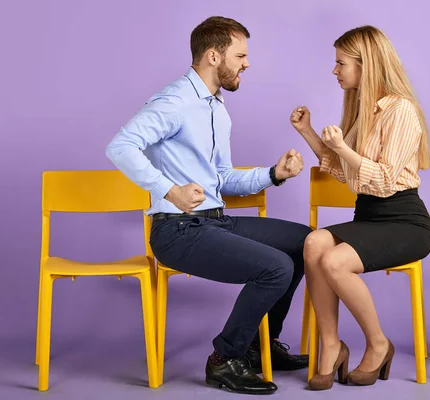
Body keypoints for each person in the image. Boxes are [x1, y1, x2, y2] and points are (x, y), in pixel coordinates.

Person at [106, 16, 311, 395]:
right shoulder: (175, 101)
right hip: (177, 230)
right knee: (276, 267)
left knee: (306, 243)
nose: (247, 63)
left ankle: (255, 347)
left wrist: (274, 173)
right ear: (215, 56)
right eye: (241, 55)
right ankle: (224, 359)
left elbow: (221, 178)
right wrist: (169, 190)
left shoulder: (215, 107)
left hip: (215, 222)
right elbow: (120, 147)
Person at [290, 25, 430, 390]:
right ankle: (331, 345)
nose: (335, 71)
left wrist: (342, 148)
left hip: (404, 221)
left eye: (341, 63)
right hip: (369, 216)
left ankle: (378, 344)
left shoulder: (401, 111)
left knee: (335, 262)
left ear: (365, 64)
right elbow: (342, 171)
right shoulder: (361, 109)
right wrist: (307, 132)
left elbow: (385, 180)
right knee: (313, 244)